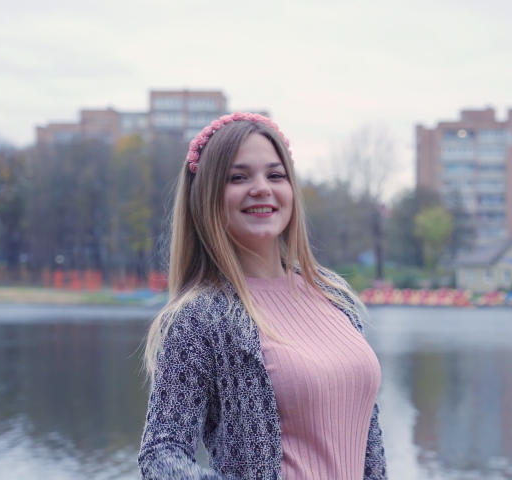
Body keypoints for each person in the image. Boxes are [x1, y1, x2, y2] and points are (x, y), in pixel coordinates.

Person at [138, 112, 387, 479]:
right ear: (207, 196)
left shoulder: (334, 297)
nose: (261, 188)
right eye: (238, 177)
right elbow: (160, 454)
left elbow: (365, 441)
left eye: (275, 175)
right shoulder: (201, 318)